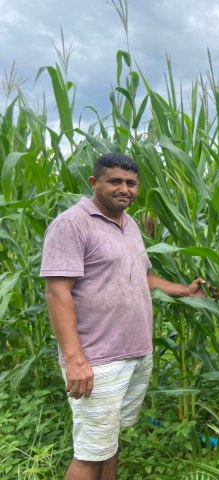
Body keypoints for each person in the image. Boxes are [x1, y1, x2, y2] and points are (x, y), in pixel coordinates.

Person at [40, 152, 208, 480]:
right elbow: (57, 292)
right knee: (89, 453)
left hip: (134, 353)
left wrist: (184, 290)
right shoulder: (72, 224)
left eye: (131, 183)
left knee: (110, 439)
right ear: (94, 182)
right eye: (115, 181)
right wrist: (75, 360)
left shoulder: (129, 224)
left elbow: (142, 277)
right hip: (97, 359)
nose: (124, 189)